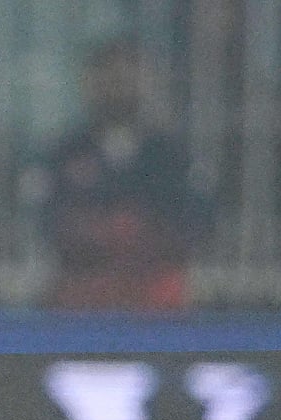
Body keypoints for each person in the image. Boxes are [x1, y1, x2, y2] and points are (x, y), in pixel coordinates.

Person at [29, 35, 213, 310]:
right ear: (88, 82)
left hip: (153, 285)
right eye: (108, 74)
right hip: (85, 286)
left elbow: (193, 220)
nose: (119, 83)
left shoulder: (172, 154)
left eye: (130, 72)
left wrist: (139, 236)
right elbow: (49, 219)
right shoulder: (64, 152)